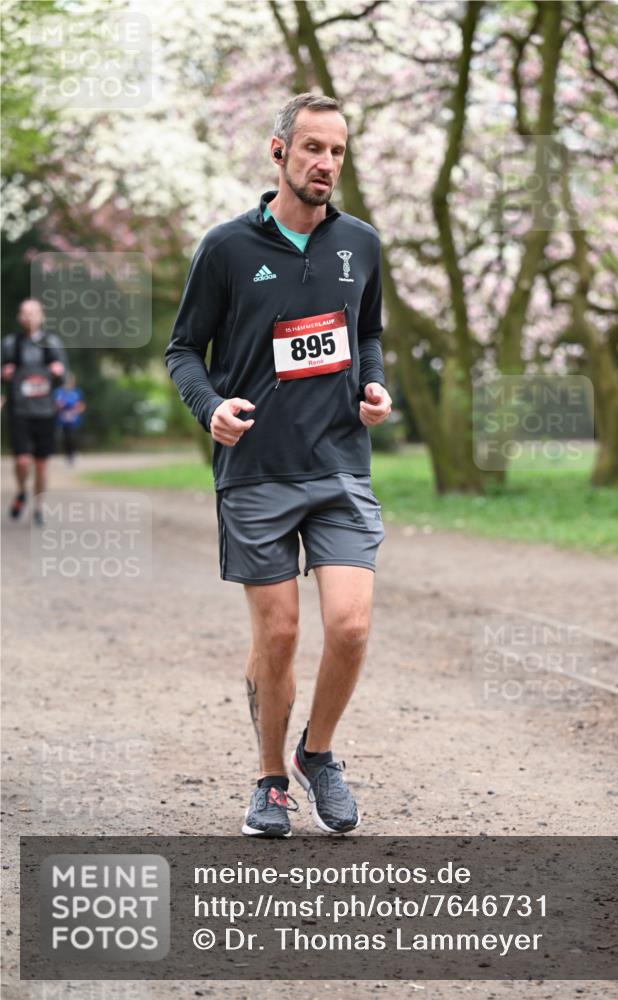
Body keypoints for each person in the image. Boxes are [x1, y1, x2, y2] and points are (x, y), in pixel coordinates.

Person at [166, 93, 392, 838]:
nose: (325, 164)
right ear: (278, 152)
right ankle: (269, 780)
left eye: (337, 152)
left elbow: (367, 334)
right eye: (313, 149)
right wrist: (212, 409)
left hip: (338, 466)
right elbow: (181, 352)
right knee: (281, 637)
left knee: (351, 627)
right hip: (256, 471)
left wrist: (372, 384)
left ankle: (316, 754)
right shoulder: (227, 248)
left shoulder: (360, 242)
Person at [1, 299, 67, 524]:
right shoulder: (10, 344)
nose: (29, 316)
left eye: (33, 312)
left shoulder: (52, 343)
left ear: (41, 316)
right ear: (19, 317)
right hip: (19, 410)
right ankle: (21, 491)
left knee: (40, 465)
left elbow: (64, 377)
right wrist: (5, 374)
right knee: (21, 461)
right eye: (24, 312)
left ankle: (38, 508)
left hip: (45, 412)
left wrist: (59, 373)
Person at [55, 373, 86, 463]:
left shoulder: (77, 392)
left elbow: (81, 405)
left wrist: (78, 410)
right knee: (66, 437)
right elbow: (57, 405)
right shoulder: (59, 392)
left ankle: (73, 453)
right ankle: (68, 454)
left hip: (74, 417)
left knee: (73, 436)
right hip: (63, 418)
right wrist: (59, 406)